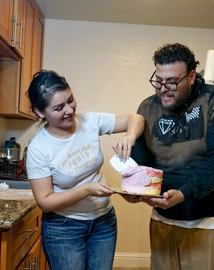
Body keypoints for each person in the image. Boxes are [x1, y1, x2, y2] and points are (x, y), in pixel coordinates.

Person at [129, 43, 214, 270]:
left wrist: (183, 194)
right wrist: (135, 189)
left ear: (191, 76)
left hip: (209, 222)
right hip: (163, 218)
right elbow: (143, 162)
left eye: (171, 82)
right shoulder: (147, 108)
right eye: (159, 80)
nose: (163, 88)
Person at [25, 70, 145, 270]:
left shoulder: (89, 121)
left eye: (70, 100)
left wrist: (129, 137)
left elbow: (137, 118)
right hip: (63, 229)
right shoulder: (39, 148)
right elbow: (45, 202)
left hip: (104, 222)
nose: (70, 110)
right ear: (40, 112)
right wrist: (87, 190)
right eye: (58, 107)